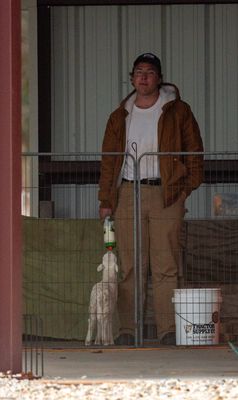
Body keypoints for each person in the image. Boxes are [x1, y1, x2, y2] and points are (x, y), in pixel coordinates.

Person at [98, 52, 204, 345]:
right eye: (138, 72)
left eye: (149, 72)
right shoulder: (120, 116)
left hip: (166, 193)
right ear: (132, 79)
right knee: (130, 265)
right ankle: (128, 330)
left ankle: (167, 329)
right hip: (127, 193)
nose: (143, 77)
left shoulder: (178, 111)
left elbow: (195, 152)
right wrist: (106, 199)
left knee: (165, 263)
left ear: (159, 78)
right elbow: (108, 161)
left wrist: (184, 190)